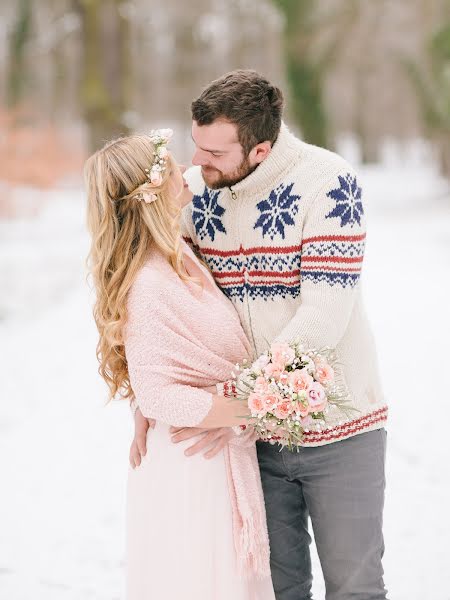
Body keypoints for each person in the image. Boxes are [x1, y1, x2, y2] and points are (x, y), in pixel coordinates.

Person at [131, 70, 389, 600]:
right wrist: (148, 393)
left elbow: (323, 316)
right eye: (195, 146)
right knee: (276, 588)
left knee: (356, 585)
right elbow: (152, 286)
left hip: (341, 425)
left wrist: (233, 399)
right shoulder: (198, 196)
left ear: (260, 148)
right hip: (250, 442)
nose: (197, 164)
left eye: (214, 153)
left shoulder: (328, 184)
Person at [84, 130, 276, 600]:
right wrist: (254, 409)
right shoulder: (149, 281)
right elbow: (160, 394)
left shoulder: (178, 251)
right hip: (194, 466)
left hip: (211, 454)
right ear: (151, 195)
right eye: (172, 169)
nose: (187, 173)